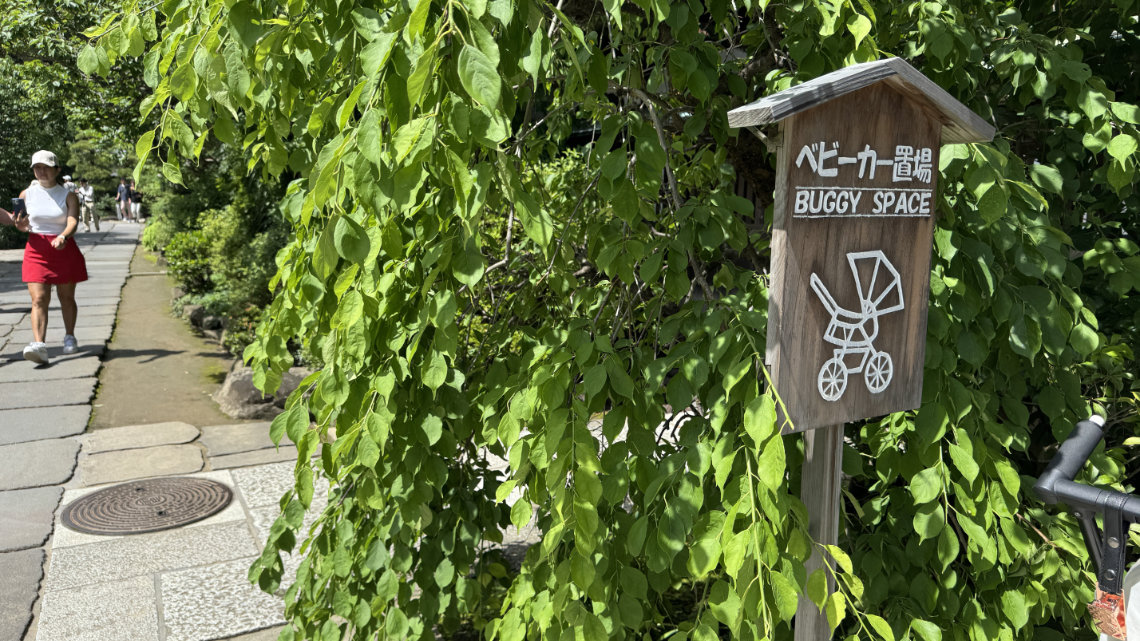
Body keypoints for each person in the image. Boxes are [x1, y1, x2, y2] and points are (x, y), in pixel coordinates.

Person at [0, 150, 88, 365]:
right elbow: (19, 221)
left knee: (66, 297)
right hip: (36, 249)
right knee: (39, 299)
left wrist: (63, 236)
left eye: (46, 167)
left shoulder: (68, 195)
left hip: (63, 247)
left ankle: (69, 335)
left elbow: (72, 221)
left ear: (57, 170)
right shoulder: (26, 194)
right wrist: (19, 225)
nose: (41, 171)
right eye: (37, 167)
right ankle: (39, 345)